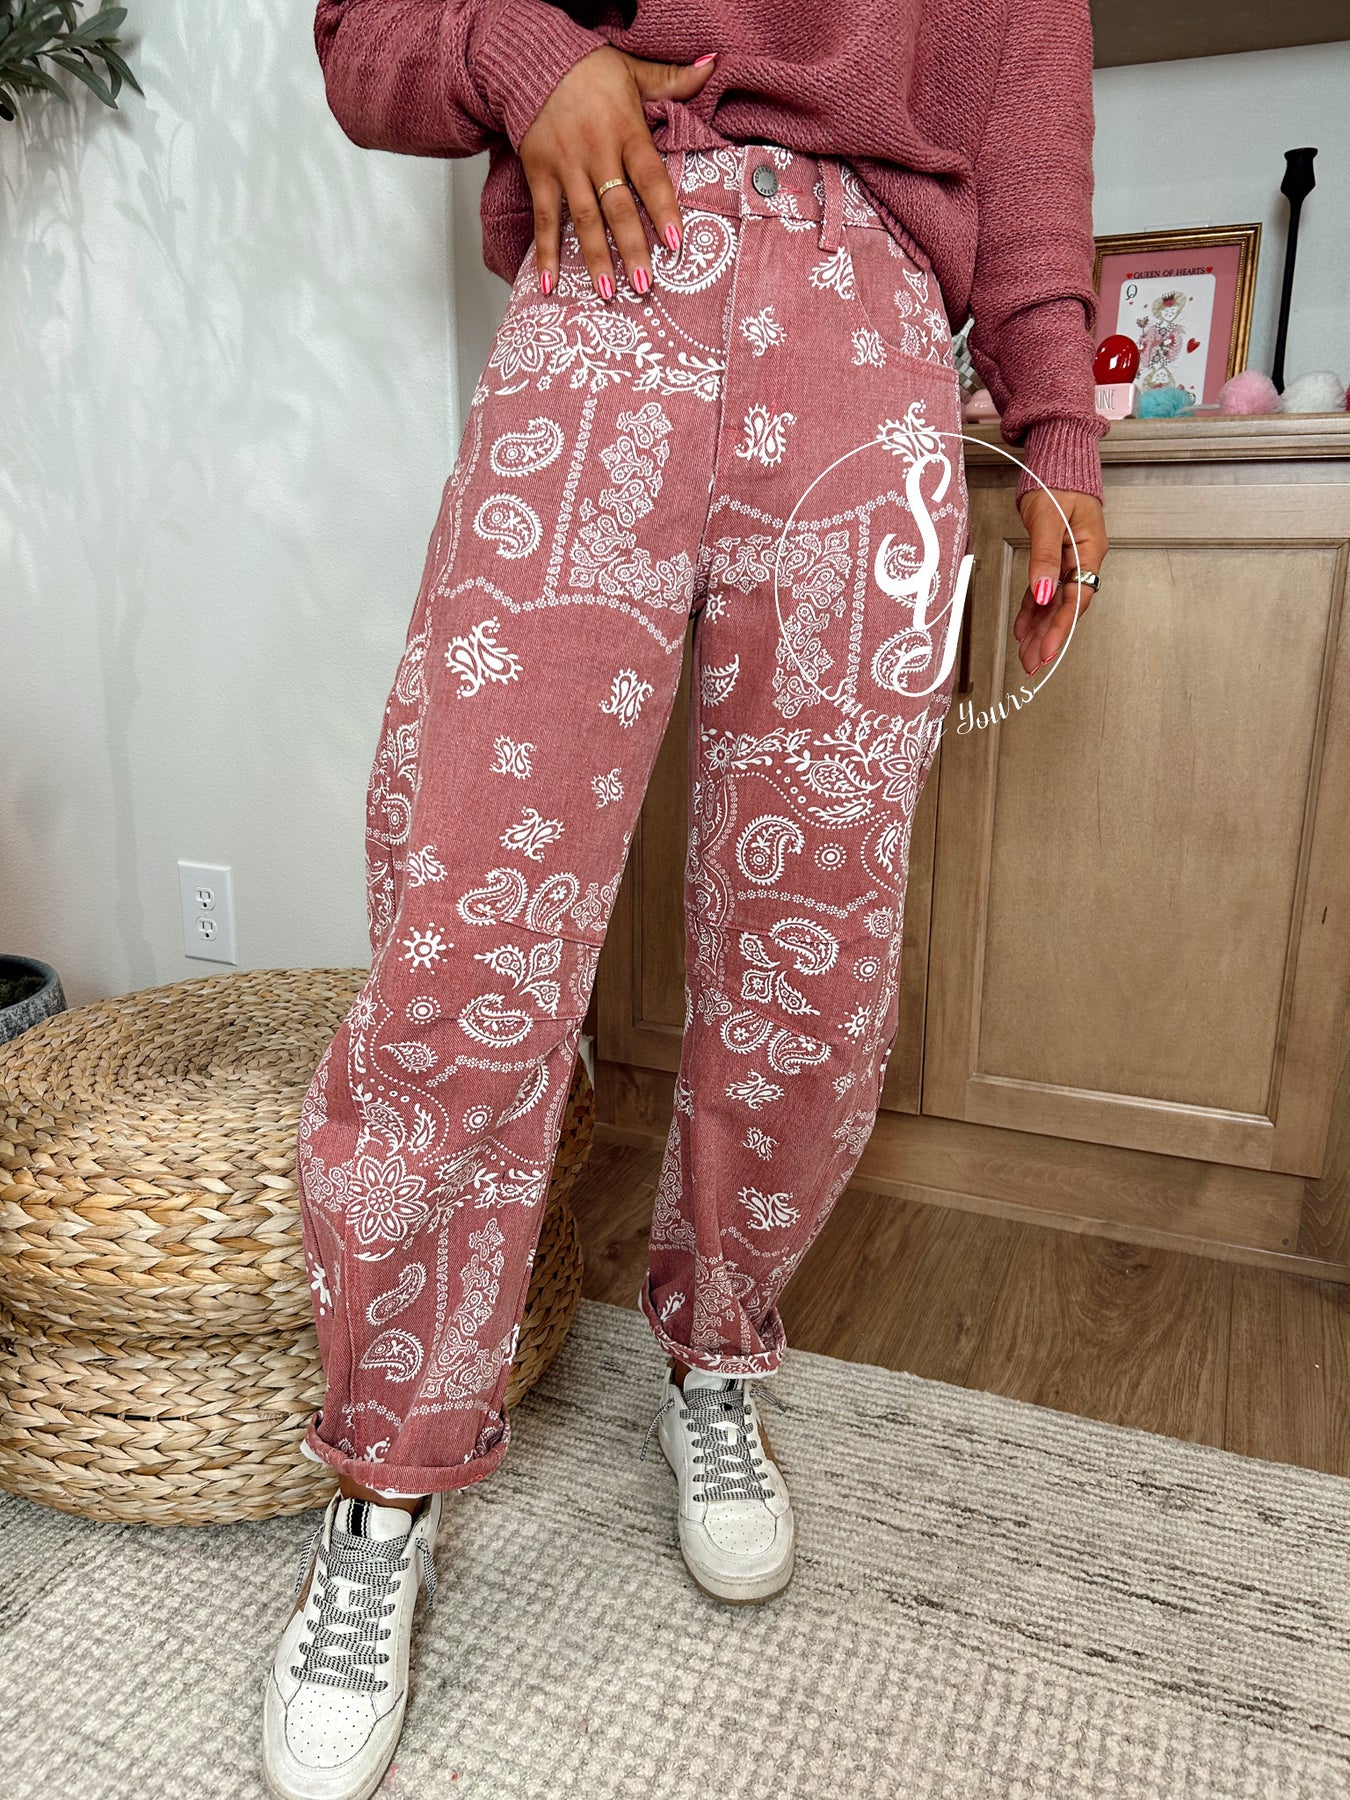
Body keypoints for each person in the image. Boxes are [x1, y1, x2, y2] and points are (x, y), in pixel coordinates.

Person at [264, 4, 1110, 1795]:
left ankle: (719, 1358)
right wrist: (522, 55)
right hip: (611, 273)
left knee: (814, 931)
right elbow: (362, 33)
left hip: (874, 340)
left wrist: (1058, 421)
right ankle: (387, 1474)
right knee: (471, 917)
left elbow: (1026, 115)